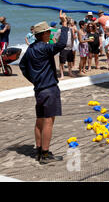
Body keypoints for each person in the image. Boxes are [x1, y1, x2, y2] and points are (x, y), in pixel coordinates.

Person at [19, 10, 68, 164]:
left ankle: (39, 150)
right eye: (48, 32)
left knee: (39, 120)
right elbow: (62, 44)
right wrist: (64, 25)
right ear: (43, 35)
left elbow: (22, 66)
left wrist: (34, 80)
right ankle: (45, 154)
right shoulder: (45, 48)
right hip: (49, 88)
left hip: (39, 89)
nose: (49, 34)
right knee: (48, 121)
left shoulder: (31, 50)